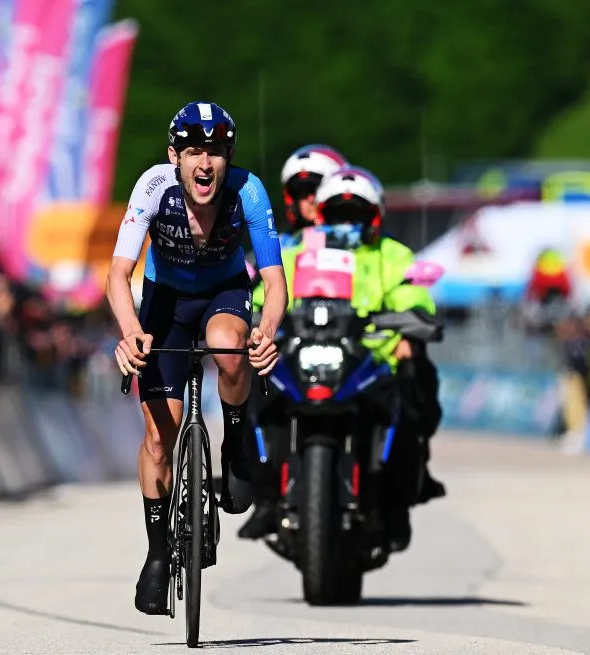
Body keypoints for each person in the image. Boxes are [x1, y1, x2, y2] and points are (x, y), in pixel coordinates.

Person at [106, 101, 288, 615]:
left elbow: (274, 282)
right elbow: (118, 275)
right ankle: (159, 551)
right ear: (174, 157)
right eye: (192, 152)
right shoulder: (152, 187)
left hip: (224, 292)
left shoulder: (248, 191)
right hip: (165, 299)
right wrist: (131, 333)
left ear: (228, 157)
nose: (204, 164)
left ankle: (234, 444)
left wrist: (267, 332)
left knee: (232, 350)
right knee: (158, 441)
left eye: (214, 152)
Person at [245, 166, 446, 552]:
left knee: (412, 388)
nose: (347, 224)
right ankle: (266, 496)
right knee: (255, 394)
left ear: (375, 217)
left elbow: (412, 294)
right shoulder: (296, 251)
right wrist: (252, 319)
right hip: (301, 355)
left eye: (356, 215)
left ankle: (398, 498)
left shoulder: (391, 254)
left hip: (371, 361)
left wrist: (410, 330)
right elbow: (264, 294)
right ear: (321, 216)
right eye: (338, 215)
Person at [238, 144, 348, 538]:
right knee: (252, 399)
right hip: (287, 353)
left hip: (347, 351)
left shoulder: (356, 247)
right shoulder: (278, 247)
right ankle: (265, 496)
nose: (309, 201)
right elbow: (250, 290)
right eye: (300, 192)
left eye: (316, 190)